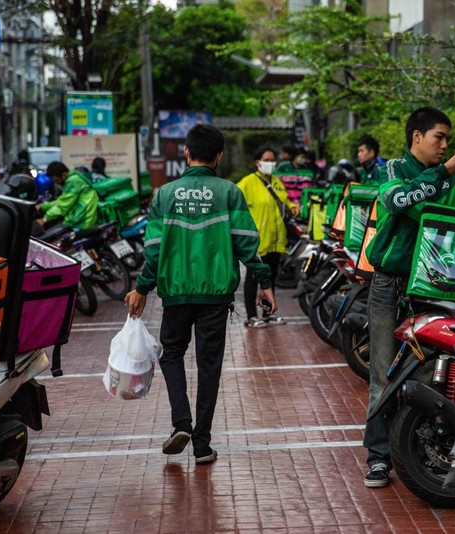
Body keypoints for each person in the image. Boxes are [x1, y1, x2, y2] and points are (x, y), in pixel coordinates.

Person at [124, 124, 277, 465]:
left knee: (171, 354)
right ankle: (203, 445)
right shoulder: (229, 193)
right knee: (210, 366)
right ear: (219, 155)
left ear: (186, 153)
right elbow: (247, 244)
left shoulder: (165, 195)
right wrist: (264, 281)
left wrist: (141, 288)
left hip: (176, 293)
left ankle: (182, 422)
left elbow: (153, 249)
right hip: (215, 294)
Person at [362, 107, 455, 488]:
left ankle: (423, 451)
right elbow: (400, 203)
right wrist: (444, 173)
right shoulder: (394, 170)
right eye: (439, 138)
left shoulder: (451, 178)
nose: (445, 146)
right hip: (390, 285)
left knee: (437, 372)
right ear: (416, 136)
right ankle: (378, 457)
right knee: (384, 373)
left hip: (436, 289)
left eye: (449, 140)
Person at [236, 147, 300, 328]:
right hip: (257, 241)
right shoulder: (247, 183)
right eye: (267, 159)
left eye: (273, 160)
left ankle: (266, 313)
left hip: (276, 240)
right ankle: (251, 316)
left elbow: (285, 202)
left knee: (270, 278)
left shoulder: (277, 182)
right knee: (253, 278)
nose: (271, 163)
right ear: (257, 162)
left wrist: (293, 207)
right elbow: (234, 204)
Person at [37, 161, 99, 229]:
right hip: (80, 217)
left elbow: (63, 206)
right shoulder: (73, 178)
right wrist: (42, 206)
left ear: (63, 174)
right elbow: (61, 201)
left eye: (57, 180)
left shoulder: (73, 181)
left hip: (82, 221)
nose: (57, 184)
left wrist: (45, 219)